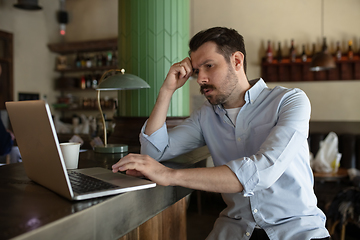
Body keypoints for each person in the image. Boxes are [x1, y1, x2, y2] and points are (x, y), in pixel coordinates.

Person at [112, 27, 330, 240]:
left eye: (209, 66)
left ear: (236, 61)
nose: (201, 79)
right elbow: (153, 153)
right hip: (236, 229)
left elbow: (262, 171)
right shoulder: (205, 116)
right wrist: (166, 90)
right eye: (197, 71)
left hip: (296, 229)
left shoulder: (290, 100)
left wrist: (170, 175)